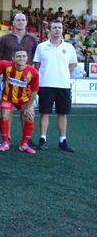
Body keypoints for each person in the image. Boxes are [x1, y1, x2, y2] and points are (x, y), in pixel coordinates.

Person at [34, 20, 78, 152]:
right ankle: (43, 139)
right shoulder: (41, 46)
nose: (57, 30)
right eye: (54, 27)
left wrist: (62, 75)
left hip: (63, 85)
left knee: (62, 114)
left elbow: (72, 65)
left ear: (62, 29)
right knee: (44, 113)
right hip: (45, 84)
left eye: (59, 27)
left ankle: (62, 140)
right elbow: (37, 66)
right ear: (49, 30)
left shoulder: (69, 47)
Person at [0, 47, 39, 154]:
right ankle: (6, 142)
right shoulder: (6, 66)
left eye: (24, 56)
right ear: (13, 58)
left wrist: (29, 106)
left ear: (27, 58)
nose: (21, 58)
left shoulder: (33, 72)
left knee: (30, 116)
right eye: (18, 56)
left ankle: (24, 144)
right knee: (4, 116)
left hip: (24, 99)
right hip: (8, 98)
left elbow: (34, 91)